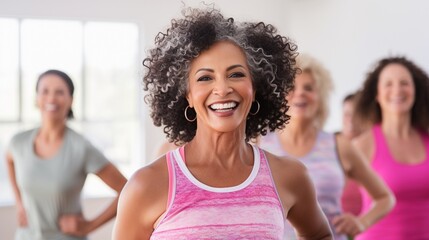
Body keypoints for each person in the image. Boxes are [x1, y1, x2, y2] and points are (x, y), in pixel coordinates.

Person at [113, 7, 333, 240]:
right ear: (186, 95)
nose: (222, 89)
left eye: (236, 74)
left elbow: (319, 234)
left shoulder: (289, 176)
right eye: (205, 78)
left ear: (255, 87)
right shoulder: (147, 185)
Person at [258, 54, 395, 239]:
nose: (300, 93)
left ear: (320, 97)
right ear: (280, 95)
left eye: (309, 88)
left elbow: (385, 198)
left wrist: (361, 222)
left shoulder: (339, 146)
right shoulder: (259, 142)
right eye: (292, 87)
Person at [5, 69, 127, 240]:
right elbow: (9, 159)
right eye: (45, 91)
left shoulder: (82, 148)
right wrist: (19, 203)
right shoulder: (18, 142)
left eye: (59, 92)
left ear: (71, 100)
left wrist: (89, 226)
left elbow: (127, 189)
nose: (51, 98)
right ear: (36, 98)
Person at [353, 56, 429, 240]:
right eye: (388, 84)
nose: (397, 90)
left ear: (415, 91)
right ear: (377, 94)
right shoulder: (361, 145)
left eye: (404, 83)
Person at [338, 93, 363, 217]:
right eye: (347, 114)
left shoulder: (378, 147)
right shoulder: (330, 146)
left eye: (357, 114)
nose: (351, 120)